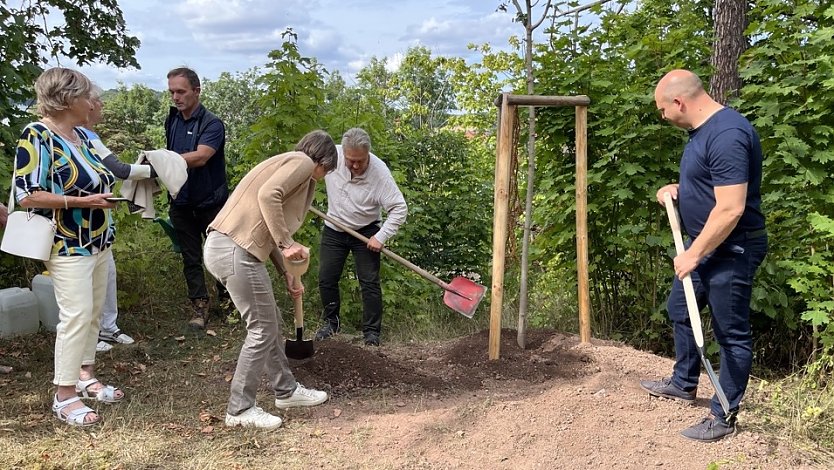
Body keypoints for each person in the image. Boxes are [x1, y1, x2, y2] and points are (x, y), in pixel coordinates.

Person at [639, 69, 768, 442]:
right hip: (707, 246)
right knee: (680, 309)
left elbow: (730, 208)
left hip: (731, 248)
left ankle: (723, 415)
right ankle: (683, 382)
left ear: (679, 102)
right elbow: (716, 184)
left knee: (731, 334)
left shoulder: (728, 133)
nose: (663, 116)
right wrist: (680, 189)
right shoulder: (703, 133)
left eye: (663, 109)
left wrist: (694, 253)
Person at [204, 130, 337, 430]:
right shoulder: (302, 162)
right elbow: (268, 196)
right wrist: (288, 243)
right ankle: (239, 409)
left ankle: (286, 390)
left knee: (270, 322)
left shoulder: (285, 162)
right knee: (262, 328)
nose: (323, 177)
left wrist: (287, 271)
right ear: (323, 161)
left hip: (234, 248)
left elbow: (266, 226)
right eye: (326, 171)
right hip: (234, 249)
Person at [15, 67, 124, 427]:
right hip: (66, 244)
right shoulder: (37, 136)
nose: (92, 100)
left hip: (98, 240)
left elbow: (109, 173)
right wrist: (84, 203)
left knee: (93, 313)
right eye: (86, 94)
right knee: (76, 316)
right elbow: (28, 195)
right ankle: (64, 396)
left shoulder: (84, 135)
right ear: (65, 98)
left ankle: (86, 374)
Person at [315, 128, 407, 346]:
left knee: (369, 282)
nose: (355, 166)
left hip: (366, 231)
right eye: (350, 160)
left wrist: (381, 236)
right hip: (335, 227)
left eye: (360, 161)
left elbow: (399, 208)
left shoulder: (380, 174)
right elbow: (307, 173)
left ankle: (372, 333)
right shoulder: (331, 158)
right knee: (327, 278)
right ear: (343, 153)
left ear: (368, 155)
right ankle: (331, 323)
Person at [81, 85, 155, 352]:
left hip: (101, 223)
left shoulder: (89, 135)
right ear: (85, 104)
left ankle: (108, 330)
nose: (100, 104)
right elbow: (120, 169)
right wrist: (158, 169)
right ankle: (92, 337)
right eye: (97, 100)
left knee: (107, 276)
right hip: (76, 226)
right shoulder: (82, 136)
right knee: (83, 285)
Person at [165, 66, 229, 330]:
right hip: (180, 201)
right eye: (172, 92)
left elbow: (202, 157)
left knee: (220, 255)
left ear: (196, 91)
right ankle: (200, 307)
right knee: (190, 257)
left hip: (210, 202)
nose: (176, 97)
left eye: (181, 91)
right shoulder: (172, 120)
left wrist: (162, 160)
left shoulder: (212, 123)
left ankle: (228, 303)